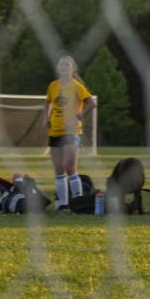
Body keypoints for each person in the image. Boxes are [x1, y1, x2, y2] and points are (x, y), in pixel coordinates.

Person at [44, 55, 96, 212]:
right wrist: (46, 118)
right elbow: (48, 102)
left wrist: (80, 115)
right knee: (59, 169)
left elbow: (91, 103)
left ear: (73, 68)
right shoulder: (53, 86)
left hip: (73, 132)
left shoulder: (77, 86)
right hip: (55, 131)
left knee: (70, 166)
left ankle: (79, 202)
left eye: (67, 65)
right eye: (61, 65)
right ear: (58, 68)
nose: (64, 67)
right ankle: (62, 204)